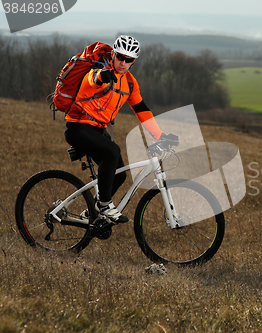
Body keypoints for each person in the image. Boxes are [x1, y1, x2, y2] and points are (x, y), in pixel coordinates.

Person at [64, 35, 177, 223]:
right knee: (112, 151)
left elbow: (141, 109)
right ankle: (104, 204)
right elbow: (93, 80)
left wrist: (160, 136)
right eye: (120, 57)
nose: (123, 62)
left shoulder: (130, 83)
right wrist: (102, 76)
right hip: (78, 126)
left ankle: (90, 214)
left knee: (120, 174)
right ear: (113, 54)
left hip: (97, 130)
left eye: (128, 60)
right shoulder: (100, 70)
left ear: (134, 61)